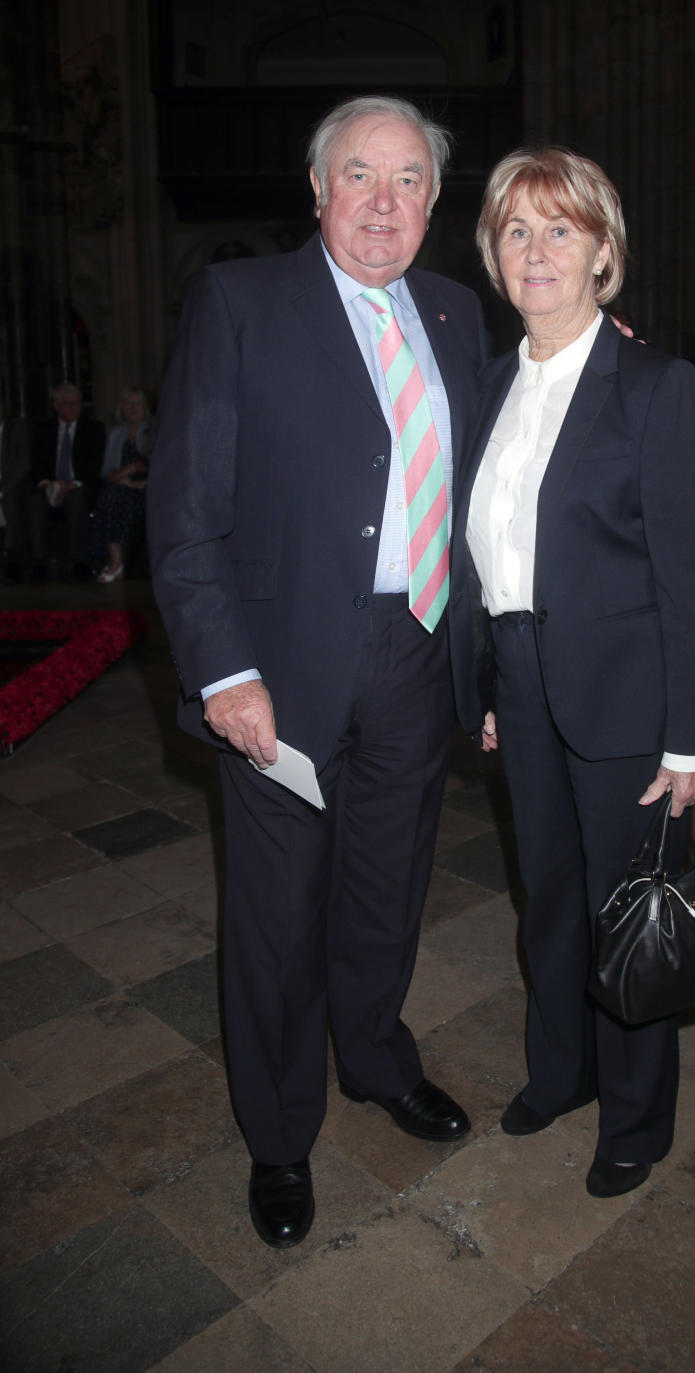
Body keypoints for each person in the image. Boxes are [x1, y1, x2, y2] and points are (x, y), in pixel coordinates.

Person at [147, 95, 486, 1249]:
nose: (383, 202)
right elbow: (184, 517)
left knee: (388, 887)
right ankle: (280, 1133)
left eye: (407, 181)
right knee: (276, 913)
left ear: (435, 204)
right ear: (317, 188)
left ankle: (377, 1060)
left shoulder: (454, 311)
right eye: (360, 175)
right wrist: (224, 673)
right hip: (278, 670)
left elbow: (490, 484)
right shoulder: (241, 303)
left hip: (419, 652)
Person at [449, 148, 695, 1199]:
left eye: (561, 229)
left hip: (624, 695)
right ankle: (559, 1072)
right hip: (520, 679)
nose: (538, 250)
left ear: (604, 251)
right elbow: (485, 554)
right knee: (549, 900)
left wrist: (691, 739)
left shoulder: (651, 388)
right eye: (518, 231)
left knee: (631, 914)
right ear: (494, 254)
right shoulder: (486, 383)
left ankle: (637, 1116)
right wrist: (484, 684)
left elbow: (688, 581)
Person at [29, 382, 105, 581]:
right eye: (68, 403)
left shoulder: (94, 429)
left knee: (77, 499)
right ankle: (39, 563)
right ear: (56, 405)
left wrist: (71, 485)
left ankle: (79, 562)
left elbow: (94, 467)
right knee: (35, 500)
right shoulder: (43, 430)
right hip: (50, 485)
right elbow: (36, 465)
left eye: (77, 403)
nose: (74, 408)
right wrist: (48, 485)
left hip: (79, 485)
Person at [91, 386, 154, 583]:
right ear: (122, 408)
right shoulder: (116, 434)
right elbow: (107, 472)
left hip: (148, 488)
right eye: (128, 404)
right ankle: (115, 559)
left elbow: (153, 466)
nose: (133, 408)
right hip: (120, 487)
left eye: (137, 404)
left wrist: (133, 477)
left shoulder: (153, 430)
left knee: (116, 497)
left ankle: (116, 562)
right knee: (111, 496)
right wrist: (127, 473)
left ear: (145, 407)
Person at [0, 397, 32, 583]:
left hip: (11, 485)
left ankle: (12, 562)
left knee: (10, 500)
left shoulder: (16, 428)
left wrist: (2, 489)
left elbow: (24, 464)